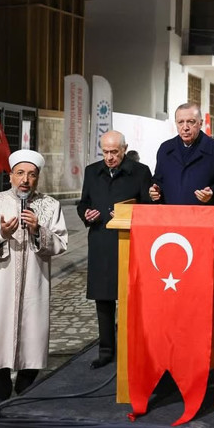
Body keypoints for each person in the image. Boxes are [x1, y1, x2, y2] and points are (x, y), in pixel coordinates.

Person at [0, 149, 68, 406]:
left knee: (33, 340)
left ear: (38, 178)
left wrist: (38, 230)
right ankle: (0, 395)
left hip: (35, 285)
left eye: (31, 175)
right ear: (11, 175)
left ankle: (24, 391)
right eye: (20, 173)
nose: (25, 180)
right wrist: (1, 234)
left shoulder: (50, 205)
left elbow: (61, 243)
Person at [77, 131, 151, 369]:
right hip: (101, 240)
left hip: (131, 242)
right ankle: (106, 350)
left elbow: (149, 206)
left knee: (134, 299)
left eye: (114, 152)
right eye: (105, 152)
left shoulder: (140, 172)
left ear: (124, 149)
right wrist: (86, 214)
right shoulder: (92, 171)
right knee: (103, 299)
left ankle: (135, 348)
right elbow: (83, 202)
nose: (109, 157)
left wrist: (128, 216)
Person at [149, 103, 214, 206]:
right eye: (180, 122)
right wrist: (154, 191)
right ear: (176, 123)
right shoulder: (165, 149)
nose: (185, 127)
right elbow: (158, 180)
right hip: (170, 213)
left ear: (200, 123)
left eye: (191, 122)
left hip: (202, 214)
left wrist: (212, 194)